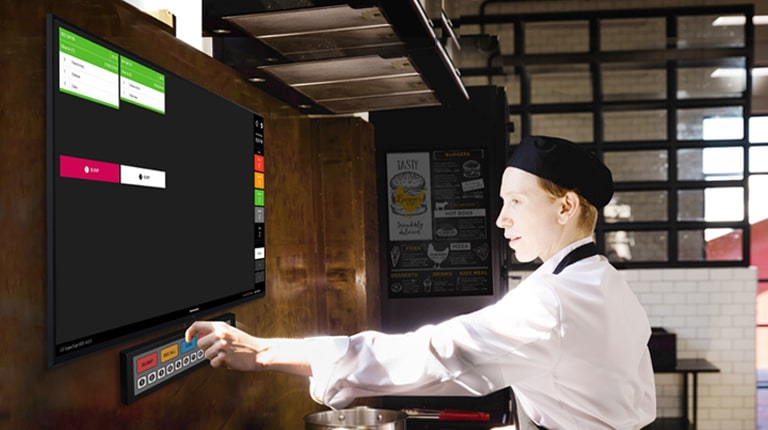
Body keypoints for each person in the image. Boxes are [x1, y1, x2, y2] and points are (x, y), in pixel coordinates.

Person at [186, 135, 657, 429]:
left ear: (565, 206)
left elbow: (435, 354)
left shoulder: (555, 301)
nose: (500, 219)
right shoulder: (604, 283)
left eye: (515, 202)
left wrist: (265, 352)